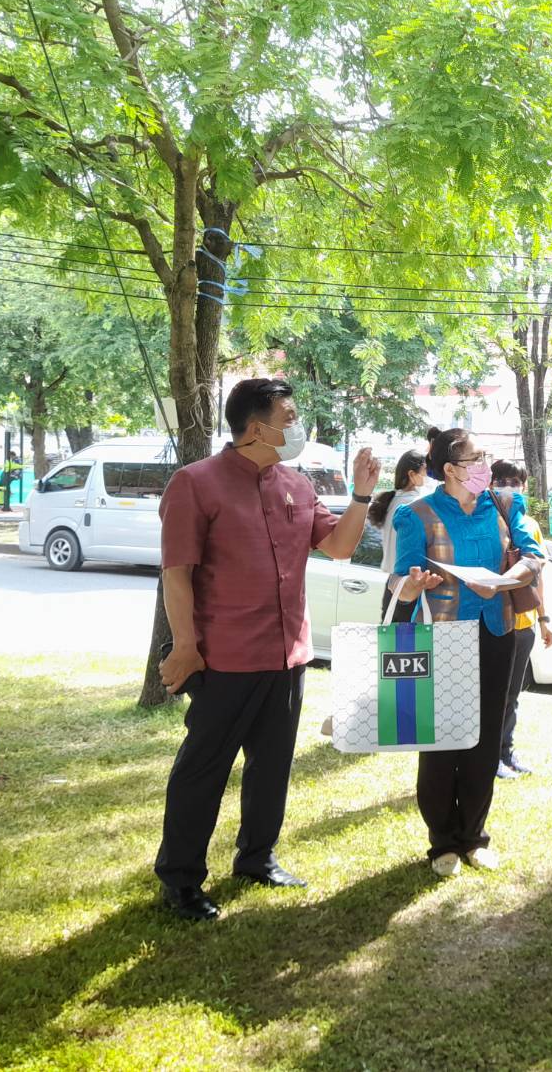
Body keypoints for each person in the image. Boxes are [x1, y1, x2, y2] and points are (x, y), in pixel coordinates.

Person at [154, 378, 380, 921]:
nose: (299, 426)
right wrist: (186, 647)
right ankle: (181, 879)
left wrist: (362, 494)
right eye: (291, 416)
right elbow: (176, 574)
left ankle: (257, 858)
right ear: (258, 427)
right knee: (202, 770)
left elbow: (340, 546)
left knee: (272, 767)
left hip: (287, 656)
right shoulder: (195, 484)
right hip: (224, 659)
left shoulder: (298, 485)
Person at [391, 427, 545, 877]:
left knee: (483, 740)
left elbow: (533, 556)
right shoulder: (416, 514)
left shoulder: (505, 504)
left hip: (497, 633)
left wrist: (511, 575)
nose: (486, 466)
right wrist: (416, 583)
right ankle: (442, 841)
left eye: (485, 458)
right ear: (451, 470)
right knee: (441, 741)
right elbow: (402, 579)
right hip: (442, 638)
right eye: (477, 459)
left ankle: (475, 837)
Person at [490, 459, 552, 779]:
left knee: (512, 694)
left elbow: (537, 576)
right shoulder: (487, 521)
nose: (508, 488)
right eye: (501, 481)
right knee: (494, 694)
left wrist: (543, 619)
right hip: (494, 622)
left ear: (524, 486)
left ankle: (505, 752)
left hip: (524, 623)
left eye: (514, 482)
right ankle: (490, 758)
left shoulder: (530, 525)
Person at [368, 450, 430, 580]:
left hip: (392, 582)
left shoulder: (391, 501)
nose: (428, 475)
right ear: (412, 474)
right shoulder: (416, 503)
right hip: (408, 583)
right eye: (426, 470)